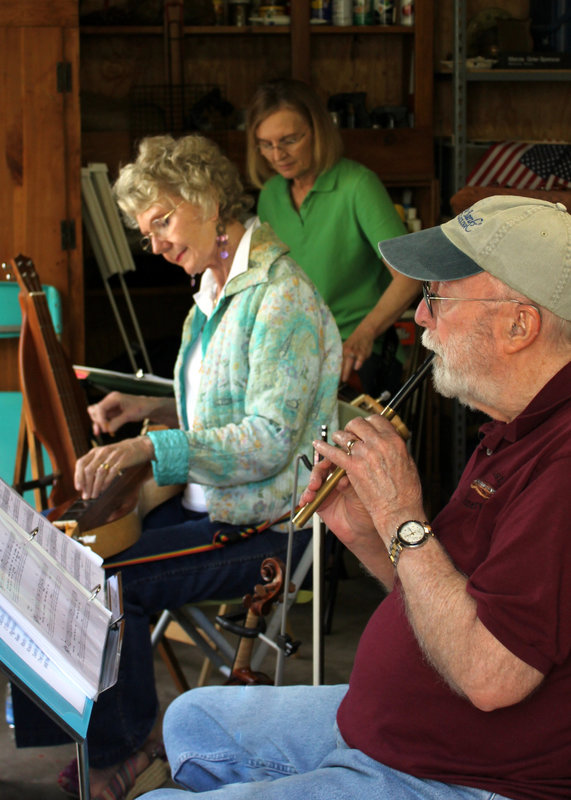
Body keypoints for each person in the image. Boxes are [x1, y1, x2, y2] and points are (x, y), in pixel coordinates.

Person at [142, 196, 571, 800]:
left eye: (440, 298)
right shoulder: (512, 425)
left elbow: (490, 675)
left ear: (519, 325)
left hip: (466, 776)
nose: (420, 316)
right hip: (403, 729)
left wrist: (401, 513)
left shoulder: (561, 463)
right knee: (192, 718)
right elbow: (438, 602)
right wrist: (368, 529)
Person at [11, 133, 342, 799]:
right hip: (210, 509)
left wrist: (146, 447)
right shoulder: (214, 292)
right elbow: (216, 409)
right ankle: (91, 736)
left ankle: (124, 754)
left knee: (109, 583)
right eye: (146, 231)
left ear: (209, 199)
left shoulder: (281, 298)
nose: (155, 244)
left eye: (162, 221)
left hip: (269, 526)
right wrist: (144, 404)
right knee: (65, 561)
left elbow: (267, 439)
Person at [246, 78, 420, 398]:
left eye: (289, 140)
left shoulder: (357, 185)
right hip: (295, 353)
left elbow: (408, 276)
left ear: (318, 131)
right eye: (266, 144)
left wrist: (364, 334)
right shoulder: (271, 194)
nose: (277, 155)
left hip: (356, 355)